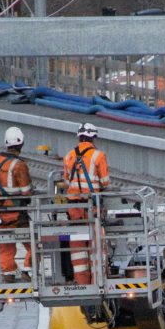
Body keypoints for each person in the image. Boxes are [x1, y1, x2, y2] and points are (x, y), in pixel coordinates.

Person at [62, 122, 110, 284]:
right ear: (93, 138)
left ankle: (81, 282)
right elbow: (105, 182)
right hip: (92, 205)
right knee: (96, 243)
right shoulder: (98, 156)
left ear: (79, 137)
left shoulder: (69, 155)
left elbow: (66, 181)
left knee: (78, 247)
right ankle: (97, 281)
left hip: (74, 208)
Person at [0, 126, 33, 282]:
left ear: (6, 143)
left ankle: (8, 274)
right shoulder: (19, 165)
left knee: (5, 243)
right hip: (17, 212)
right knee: (33, 241)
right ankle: (28, 270)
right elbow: (26, 191)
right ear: (21, 144)